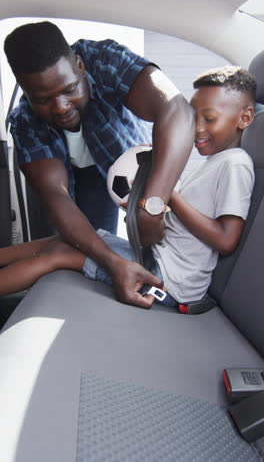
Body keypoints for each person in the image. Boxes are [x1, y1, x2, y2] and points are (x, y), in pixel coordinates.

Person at [0, 66, 256, 308]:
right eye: (193, 118)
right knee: (62, 239)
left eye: (209, 119)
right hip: (158, 259)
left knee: (56, 255)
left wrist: (168, 195)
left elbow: (226, 240)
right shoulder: (216, 162)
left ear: (244, 117)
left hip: (169, 280)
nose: (197, 128)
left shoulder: (236, 163)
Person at [4, 21, 195, 307]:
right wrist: (113, 264)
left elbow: (177, 109)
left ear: (80, 66)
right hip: (71, 177)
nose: (60, 107)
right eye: (42, 99)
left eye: (69, 89)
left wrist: (152, 204)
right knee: (76, 245)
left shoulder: (105, 60)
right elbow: (57, 196)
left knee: (83, 247)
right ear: (25, 89)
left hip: (118, 169)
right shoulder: (24, 122)